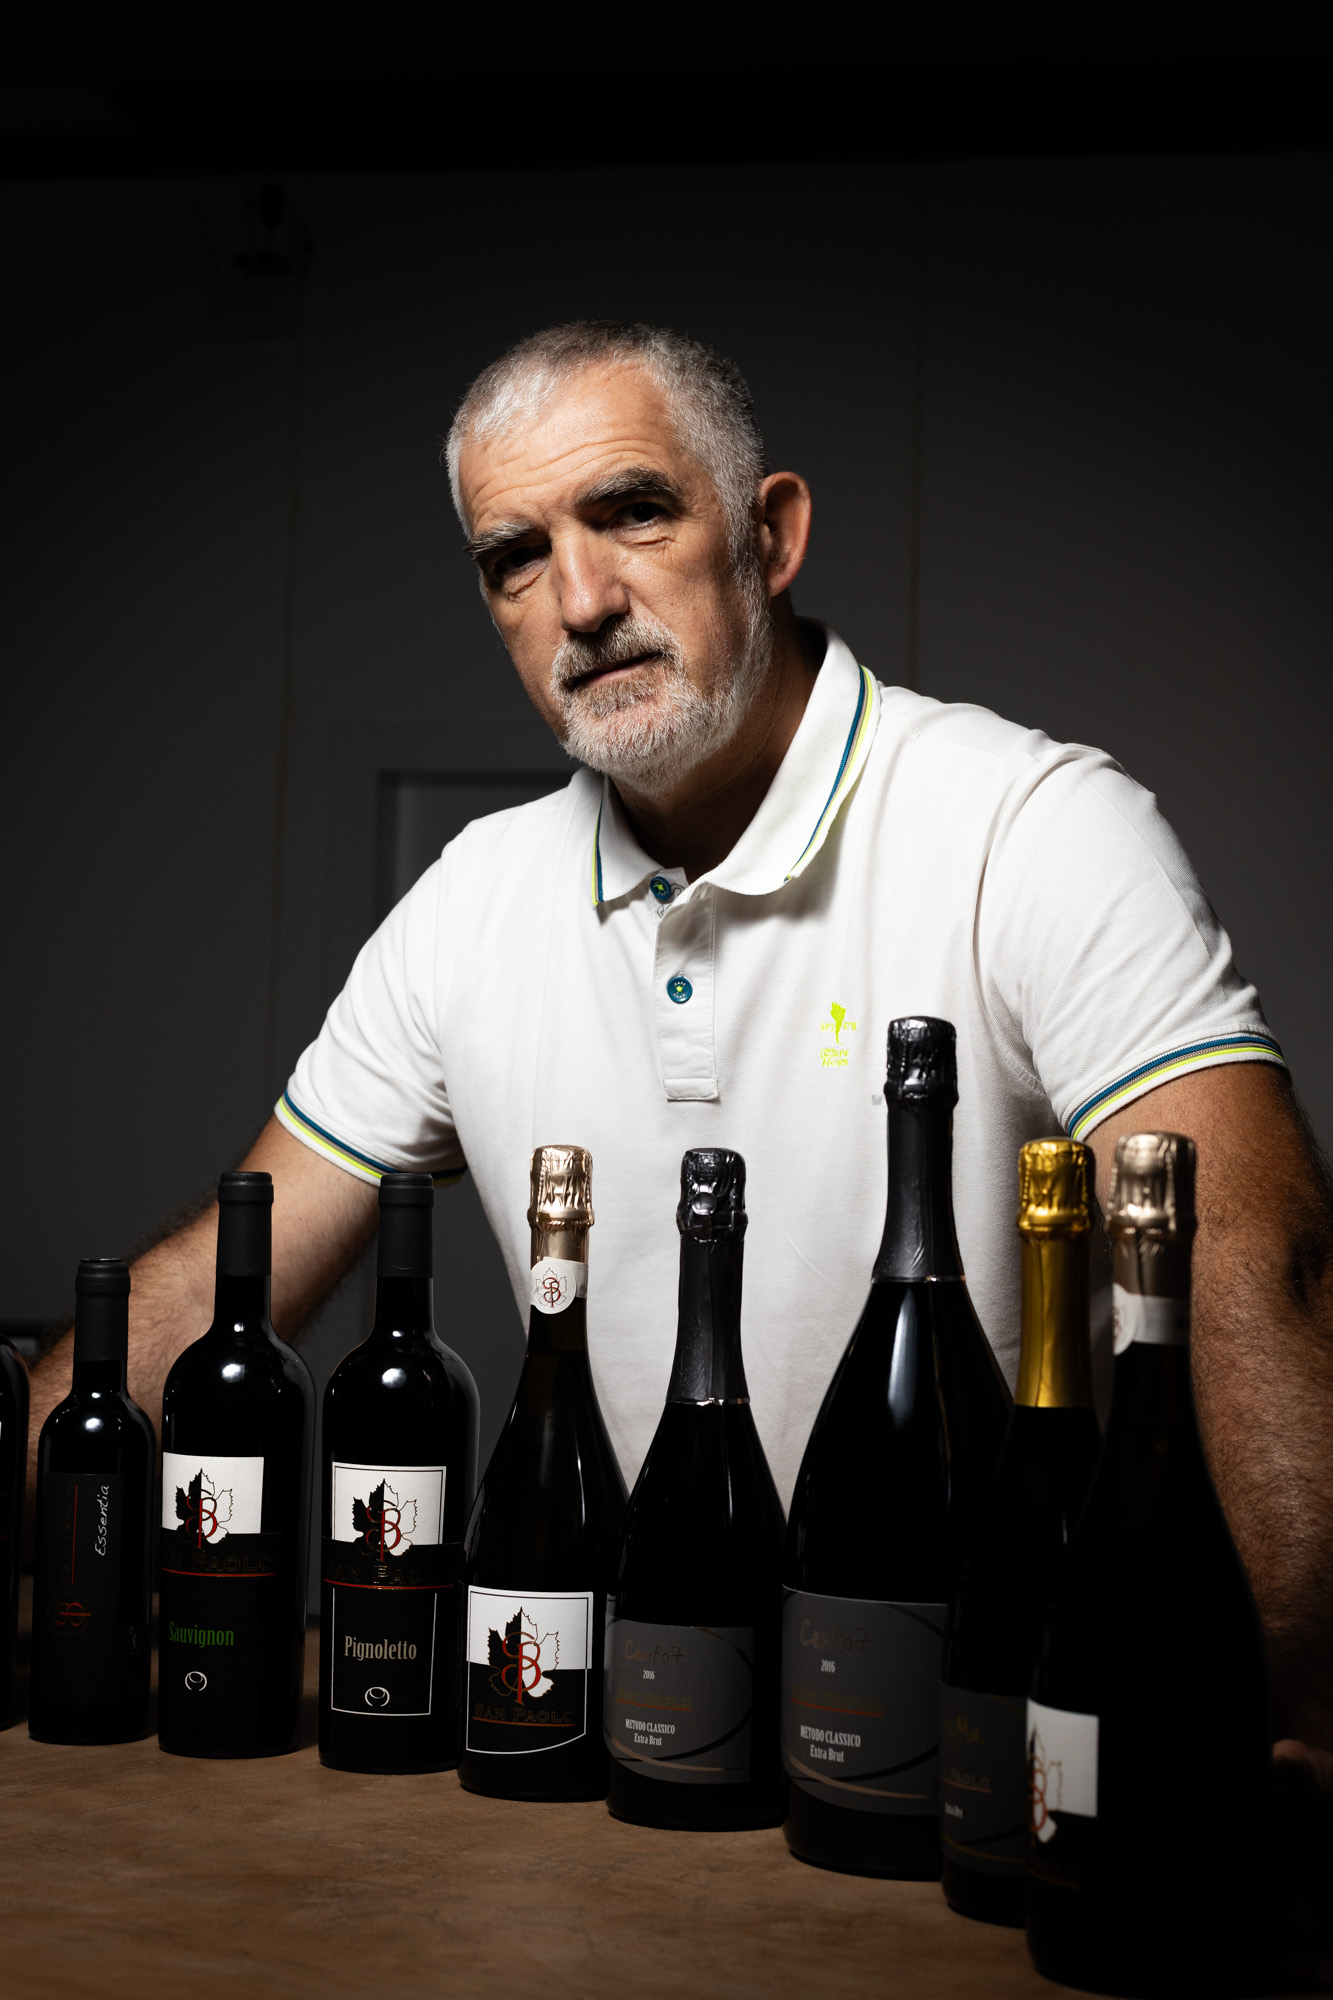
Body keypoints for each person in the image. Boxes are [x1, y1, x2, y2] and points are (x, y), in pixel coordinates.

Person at [26, 320, 1333, 1957]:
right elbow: (216, 1296)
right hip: (633, 1763)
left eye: (632, 512)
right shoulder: (469, 905)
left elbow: (1259, 1257)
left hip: (980, 1774)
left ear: (768, 534)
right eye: (514, 557)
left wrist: (1289, 1729)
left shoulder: (1030, 825)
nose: (579, 598)